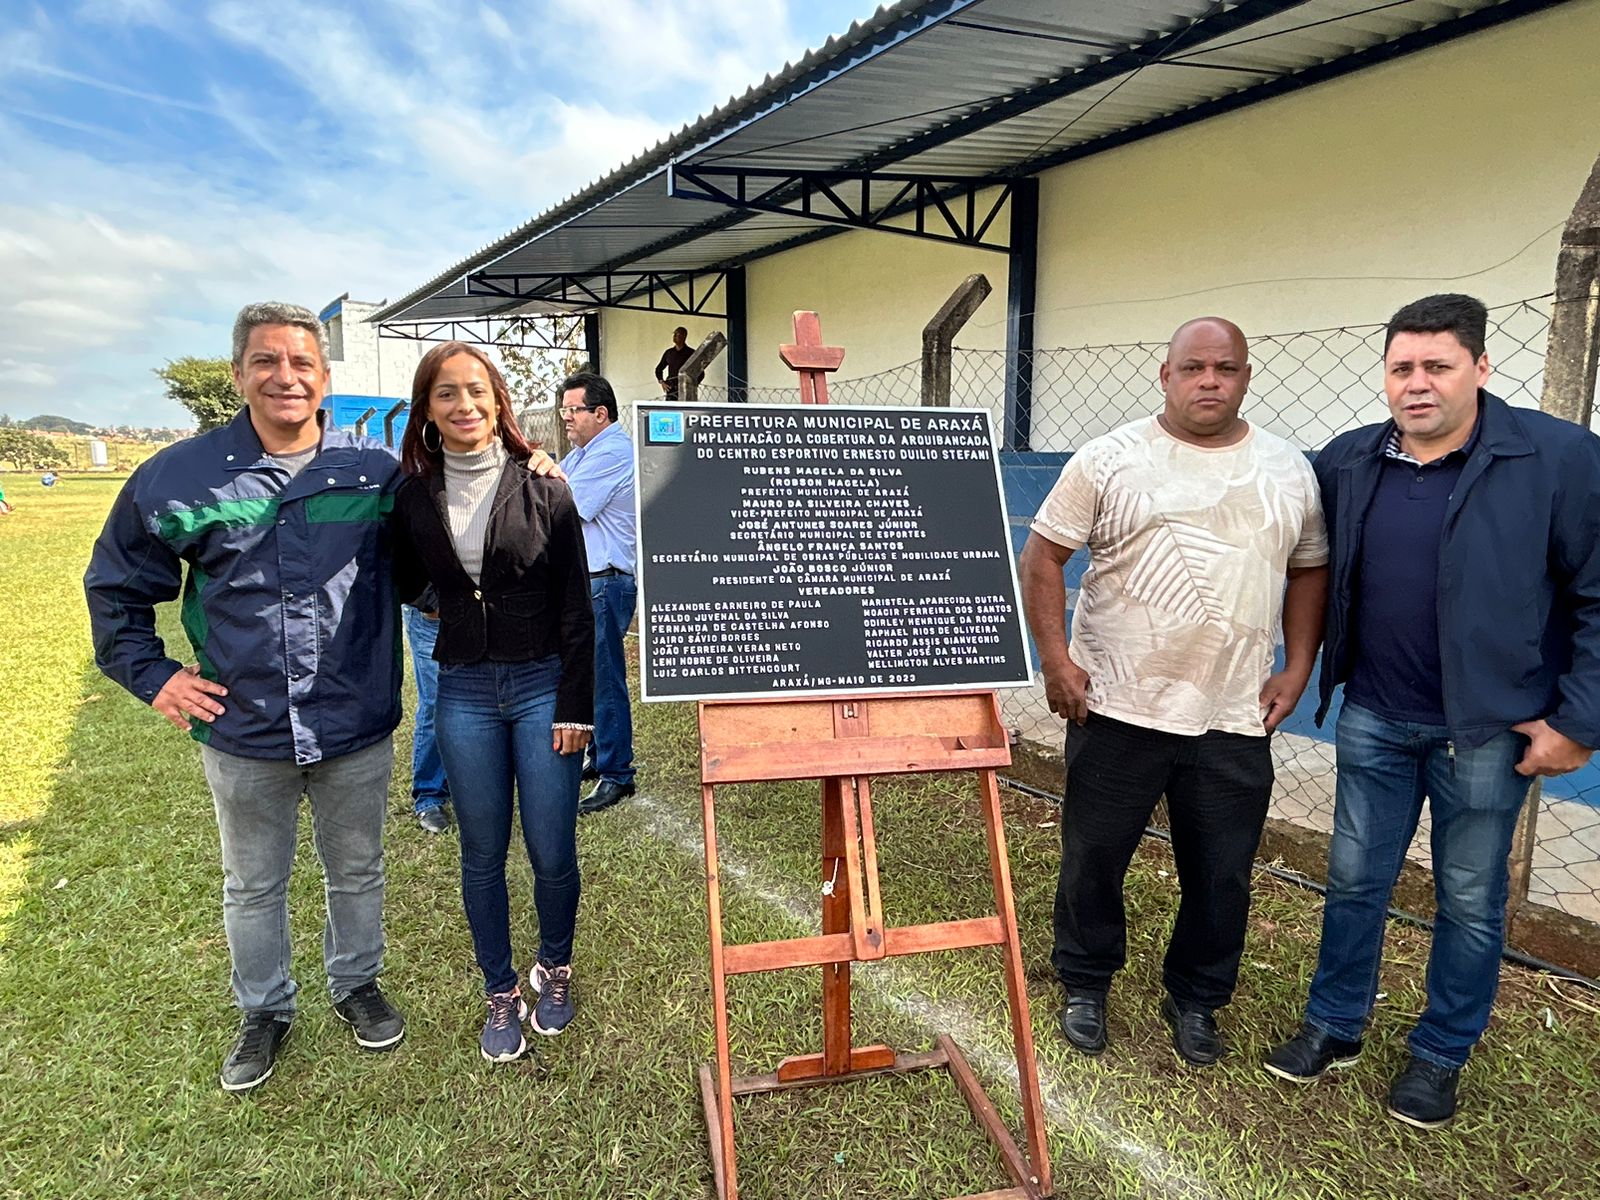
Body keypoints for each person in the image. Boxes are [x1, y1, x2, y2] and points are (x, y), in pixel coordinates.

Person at [1264, 294, 1600, 1128]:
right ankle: (1334, 1025)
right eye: (1401, 368)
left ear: (1481, 369)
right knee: (1353, 881)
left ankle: (1439, 1056)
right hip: (1374, 716)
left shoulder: (1557, 459)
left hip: (1486, 731)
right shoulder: (1350, 461)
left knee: (1471, 897)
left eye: (1438, 366)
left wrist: (1580, 723)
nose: (1418, 384)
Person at [84, 302, 407, 1093]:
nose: (285, 377)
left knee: (357, 869)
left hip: (353, 720)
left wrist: (529, 466)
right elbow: (117, 587)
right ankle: (263, 1009)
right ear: (238, 374)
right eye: (266, 361)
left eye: (301, 363)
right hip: (243, 727)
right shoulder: (178, 476)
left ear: (326, 377)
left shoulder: (374, 472)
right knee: (253, 882)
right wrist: (153, 675)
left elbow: (449, 543)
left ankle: (355, 984)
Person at [1019, 317, 1329, 1066]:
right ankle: (1086, 980)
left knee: (1221, 873)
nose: (1209, 380)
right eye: (1193, 367)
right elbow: (1041, 558)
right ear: (1165, 376)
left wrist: (1297, 667)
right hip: (1118, 705)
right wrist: (1058, 662)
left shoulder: (1288, 470)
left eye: (1225, 367)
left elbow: (1310, 568)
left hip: (1233, 712)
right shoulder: (1110, 459)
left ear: (1246, 376)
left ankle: (1196, 999)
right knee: (1094, 856)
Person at [392, 341, 594, 1061]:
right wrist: (446, 603)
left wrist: (577, 706)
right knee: (482, 852)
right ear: (427, 409)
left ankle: (556, 968)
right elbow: (399, 573)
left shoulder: (544, 485)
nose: (464, 405)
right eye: (446, 393)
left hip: (543, 688)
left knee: (550, 849)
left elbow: (577, 604)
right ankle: (501, 991)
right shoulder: (411, 492)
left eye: (477, 391)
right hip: (466, 691)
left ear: (498, 400)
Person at [559, 372, 638, 815]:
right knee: (589, 674)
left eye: (574, 410)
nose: (567, 418)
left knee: (605, 679)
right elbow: (548, 486)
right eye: (565, 410)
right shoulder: (581, 454)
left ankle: (617, 774)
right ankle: (600, 755)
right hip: (590, 580)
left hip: (606, 580)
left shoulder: (612, 452)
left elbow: (563, 505)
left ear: (600, 413)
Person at [403, 597, 452, 833]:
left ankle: (462, 784)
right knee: (436, 703)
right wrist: (431, 603)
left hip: (476, 610)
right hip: (432, 618)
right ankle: (428, 795)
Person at [654, 326, 694, 399]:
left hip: (686, 390)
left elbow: (700, 373)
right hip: (671, 389)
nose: (675, 336)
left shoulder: (691, 353)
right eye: (674, 334)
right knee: (671, 410)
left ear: (684, 336)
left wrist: (692, 385)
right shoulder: (669, 353)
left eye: (677, 334)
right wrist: (662, 382)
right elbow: (658, 369)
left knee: (685, 409)